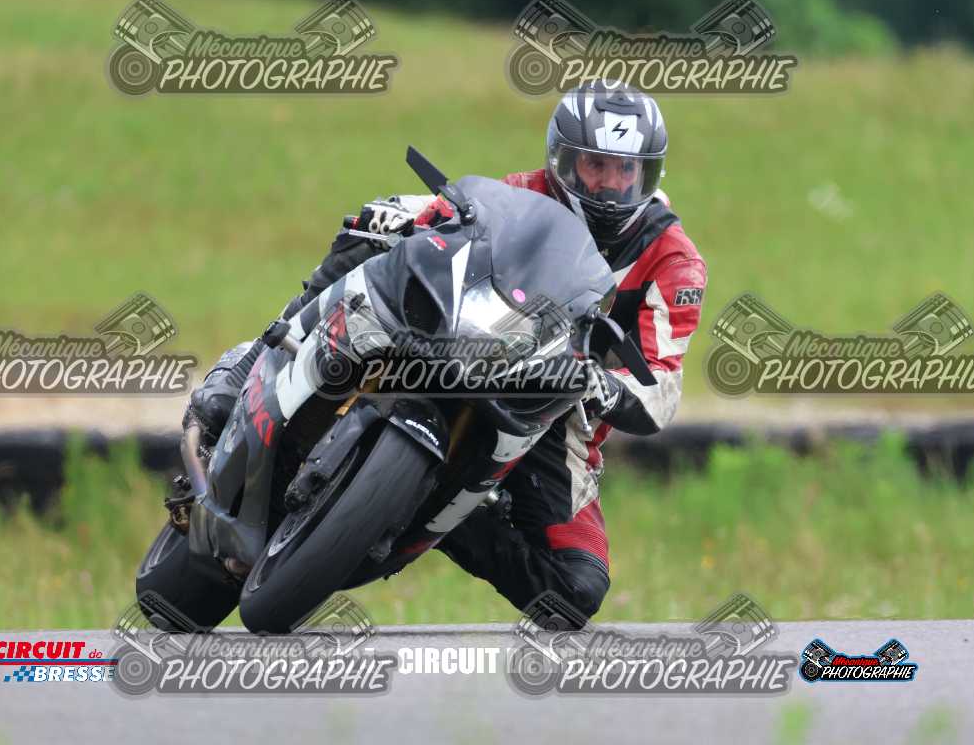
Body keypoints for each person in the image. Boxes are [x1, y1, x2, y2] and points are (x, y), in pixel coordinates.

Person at [184, 79, 707, 619]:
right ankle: (248, 367)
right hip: (460, 338)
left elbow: (660, 385)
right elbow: (457, 214)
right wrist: (399, 218)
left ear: (649, 174)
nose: (610, 186)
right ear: (564, 160)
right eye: (596, 166)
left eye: (626, 170)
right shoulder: (530, 192)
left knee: (575, 590)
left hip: (553, 414)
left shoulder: (674, 261)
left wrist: (600, 383)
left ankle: (451, 513)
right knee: (365, 233)